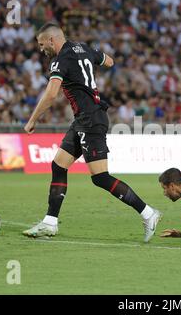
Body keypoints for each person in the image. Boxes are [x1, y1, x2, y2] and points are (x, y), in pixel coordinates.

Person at [22, 23, 161, 242]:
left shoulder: (60, 60)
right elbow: (109, 60)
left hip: (90, 120)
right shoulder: (83, 48)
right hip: (83, 119)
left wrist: (32, 120)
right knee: (58, 165)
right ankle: (50, 223)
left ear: (52, 40)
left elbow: (51, 95)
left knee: (100, 177)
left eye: (42, 44)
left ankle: (148, 213)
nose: (41, 50)